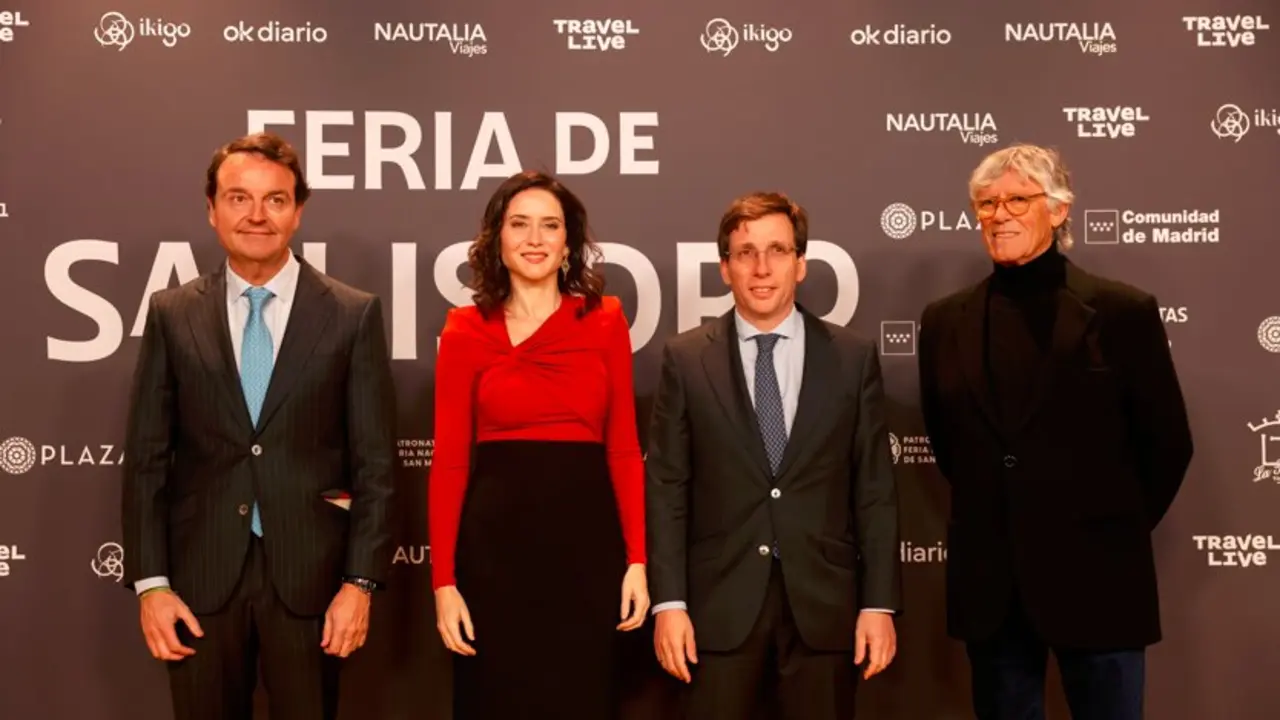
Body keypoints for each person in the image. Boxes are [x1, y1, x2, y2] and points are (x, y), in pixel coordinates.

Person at [120, 131, 397, 720]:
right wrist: (151, 585)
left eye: (275, 200)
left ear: (298, 212)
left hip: (312, 583)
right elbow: (146, 460)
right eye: (238, 197)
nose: (256, 214)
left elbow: (376, 464)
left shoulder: (352, 313)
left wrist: (360, 583)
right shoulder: (172, 313)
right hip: (197, 584)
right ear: (212, 210)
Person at [917, 143, 1193, 720]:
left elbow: (1167, 445)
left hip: (1100, 581)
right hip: (992, 587)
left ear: (1060, 210)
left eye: (1017, 198)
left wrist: (1106, 530)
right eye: (986, 203)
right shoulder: (943, 321)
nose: (999, 214)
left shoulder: (1122, 313)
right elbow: (950, 447)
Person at [645, 191, 902, 719]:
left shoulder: (852, 358)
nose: (761, 268)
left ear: (801, 264)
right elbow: (668, 486)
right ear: (724, 268)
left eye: (778, 251)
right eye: (745, 253)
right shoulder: (685, 359)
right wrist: (669, 603)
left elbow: (874, 488)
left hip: (824, 607)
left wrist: (878, 603)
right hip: (717, 611)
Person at [428, 170, 650, 718]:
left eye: (549, 226)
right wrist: (444, 583)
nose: (534, 239)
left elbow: (623, 448)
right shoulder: (464, 329)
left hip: (587, 557)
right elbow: (451, 462)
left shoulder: (605, 321)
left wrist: (639, 561)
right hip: (493, 561)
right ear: (496, 239)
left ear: (568, 242)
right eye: (519, 224)